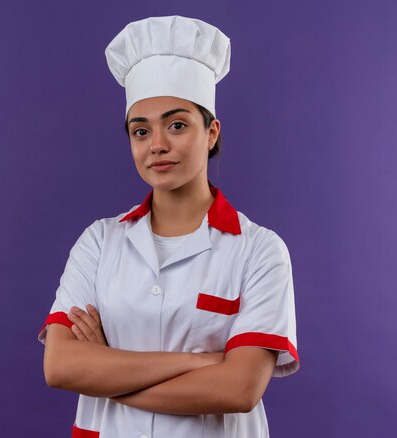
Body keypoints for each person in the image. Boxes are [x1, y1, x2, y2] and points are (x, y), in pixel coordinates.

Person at [39, 15, 299, 438]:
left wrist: (107, 371)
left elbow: (239, 388)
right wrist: (197, 362)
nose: (157, 144)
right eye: (141, 131)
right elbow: (61, 365)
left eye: (176, 125)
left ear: (211, 131)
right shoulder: (99, 242)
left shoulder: (260, 250)